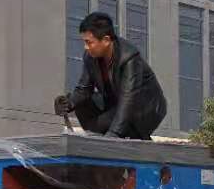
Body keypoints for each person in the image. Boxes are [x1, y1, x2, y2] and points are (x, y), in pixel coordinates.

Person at [55, 11, 168, 139]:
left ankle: (130, 137)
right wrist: (69, 103)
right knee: (83, 104)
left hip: (145, 109)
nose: (86, 47)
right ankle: (100, 135)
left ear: (106, 40)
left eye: (89, 42)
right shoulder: (91, 56)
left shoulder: (129, 58)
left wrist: (113, 135)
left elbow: (128, 100)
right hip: (116, 103)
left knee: (112, 122)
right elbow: (84, 89)